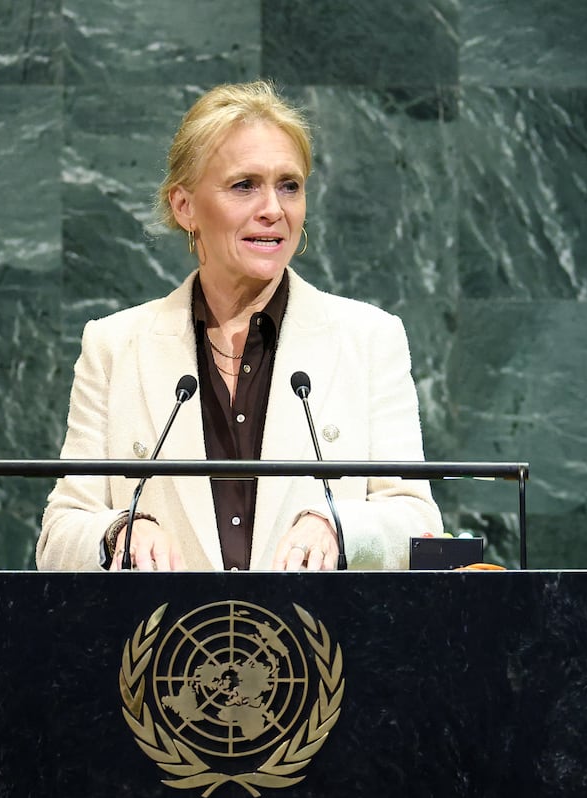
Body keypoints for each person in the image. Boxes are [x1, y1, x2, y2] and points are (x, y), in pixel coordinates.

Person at [36, 80, 442, 571]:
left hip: (316, 643)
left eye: (289, 185)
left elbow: (416, 521)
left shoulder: (370, 338)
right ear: (185, 206)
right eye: (244, 185)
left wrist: (339, 523)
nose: (273, 209)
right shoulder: (114, 345)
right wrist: (117, 530)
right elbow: (60, 532)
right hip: (167, 644)